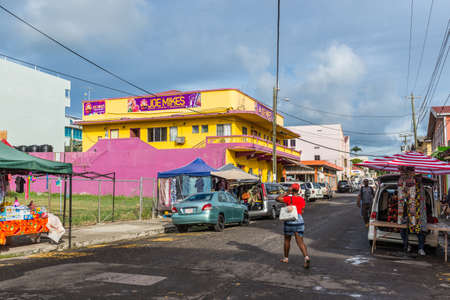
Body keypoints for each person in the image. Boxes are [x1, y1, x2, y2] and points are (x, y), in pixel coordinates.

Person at [276, 183, 310, 268]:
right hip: (299, 220)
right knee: (300, 242)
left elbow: (277, 199)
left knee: (287, 240)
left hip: (290, 220)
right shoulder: (302, 199)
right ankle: (306, 257)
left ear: (292, 190)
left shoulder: (288, 198)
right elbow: (302, 211)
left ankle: (286, 258)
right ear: (298, 190)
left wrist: (287, 193)